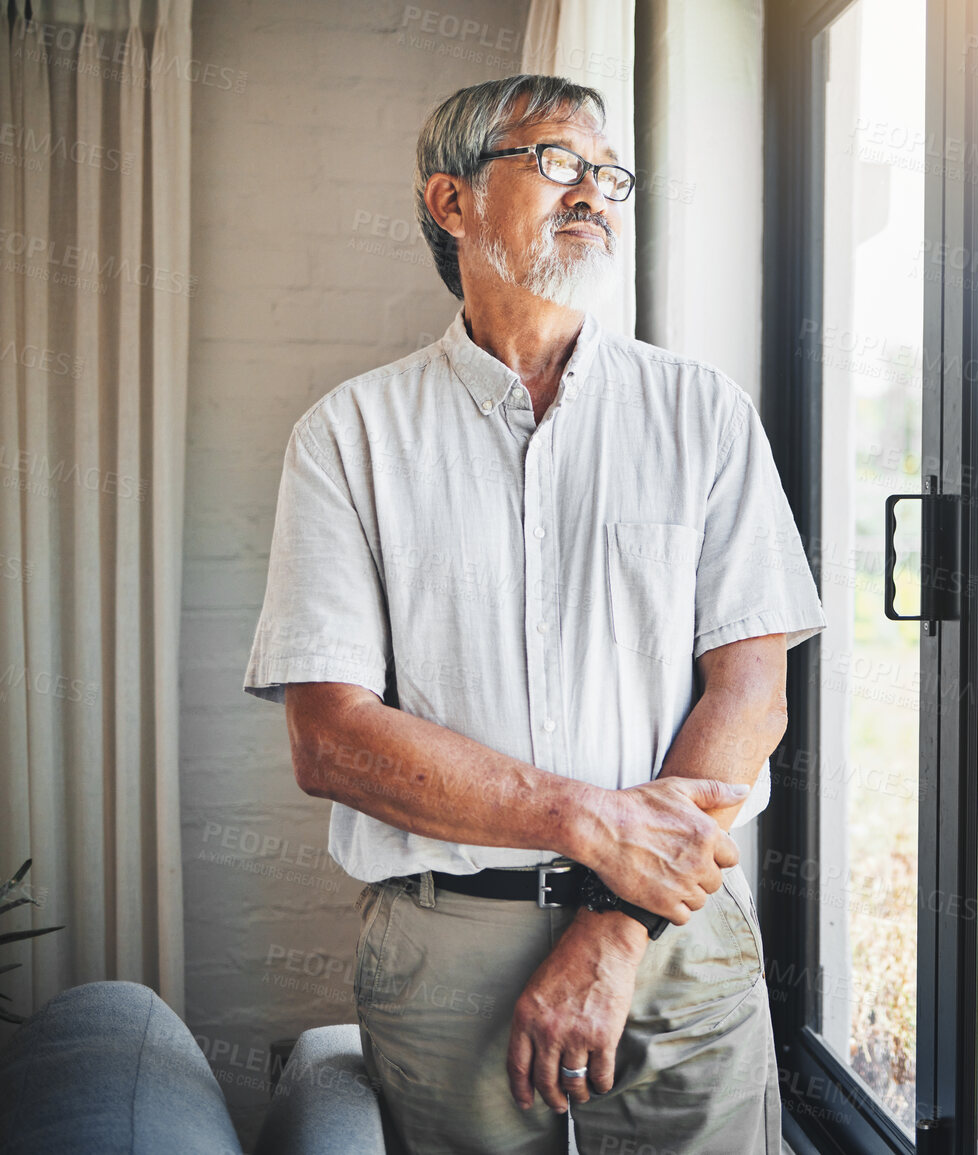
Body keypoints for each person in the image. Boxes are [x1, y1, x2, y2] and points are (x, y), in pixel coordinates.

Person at [242, 73, 825, 1155]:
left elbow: (750, 690)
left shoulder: (703, 413)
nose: (593, 190)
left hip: (674, 936)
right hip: (444, 951)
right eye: (556, 161)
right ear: (450, 202)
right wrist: (585, 821)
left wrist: (617, 919)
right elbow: (330, 739)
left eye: (609, 172)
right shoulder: (347, 437)